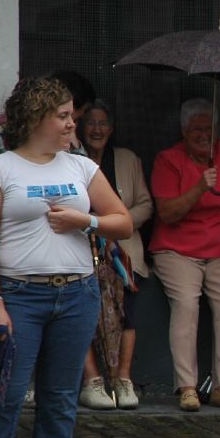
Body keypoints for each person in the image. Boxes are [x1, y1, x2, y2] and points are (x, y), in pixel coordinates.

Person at [0, 75, 133, 438]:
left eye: (71, 115)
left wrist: (86, 220)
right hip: (18, 296)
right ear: (37, 117)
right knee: (2, 402)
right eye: (63, 116)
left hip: (77, 295)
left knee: (60, 405)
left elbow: (123, 223)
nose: (72, 123)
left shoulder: (81, 168)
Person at [150, 98, 220, 412]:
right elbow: (167, 213)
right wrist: (199, 187)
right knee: (186, 304)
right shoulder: (168, 159)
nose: (204, 135)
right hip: (177, 249)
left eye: (209, 129)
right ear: (184, 131)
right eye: (196, 129)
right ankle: (187, 387)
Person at [75, 100, 153, 410]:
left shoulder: (127, 159)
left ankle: (123, 379)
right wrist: (94, 225)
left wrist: (113, 225)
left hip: (123, 251)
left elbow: (146, 205)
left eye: (103, 123)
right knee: (82, 314)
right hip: (81, 248)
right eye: (91, 123)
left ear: (112, 128)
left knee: (127, 314)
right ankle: (92, 381)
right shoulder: (73, 160)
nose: (97, 129)